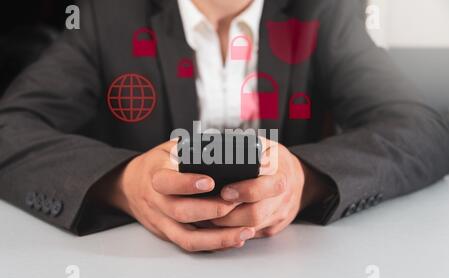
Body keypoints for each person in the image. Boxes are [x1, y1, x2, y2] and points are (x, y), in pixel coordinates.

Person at [0, 0, 448, 252]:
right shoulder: (109, 15)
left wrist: (303, 181)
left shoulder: (323, 12)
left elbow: (423, 130)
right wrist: (124, 183)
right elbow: (10, 126)